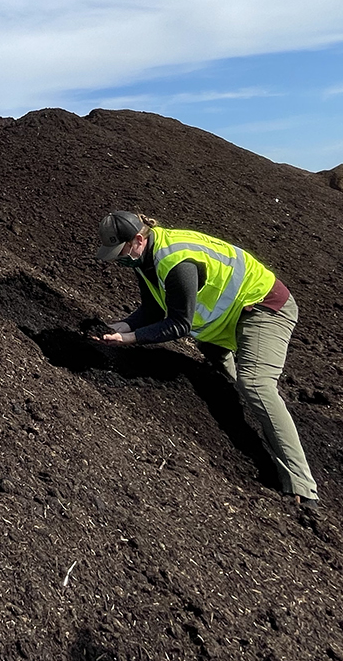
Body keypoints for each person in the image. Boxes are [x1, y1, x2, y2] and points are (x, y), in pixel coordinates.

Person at [90, 210, 319, 508]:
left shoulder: (176, 262)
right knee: (230, 380)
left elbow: (179, 324)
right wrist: (120, 325)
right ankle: (253, 411)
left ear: (137, 240)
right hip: (221, 324)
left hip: (262, 306)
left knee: (255, 383)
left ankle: (302, 485)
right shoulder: (143, 258)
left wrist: (129, 339)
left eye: (119, 254)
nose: (118, 262)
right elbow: (152, 311)